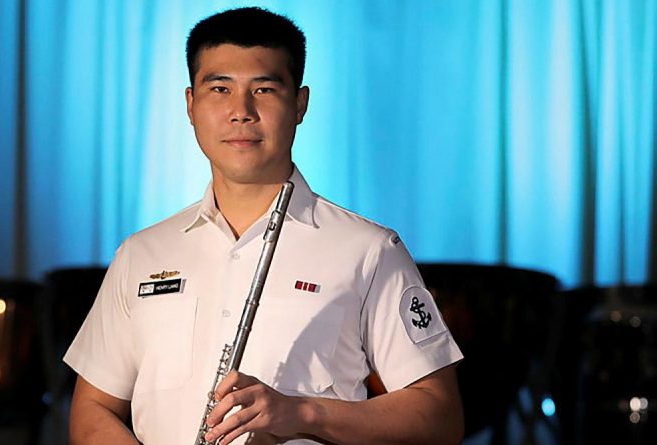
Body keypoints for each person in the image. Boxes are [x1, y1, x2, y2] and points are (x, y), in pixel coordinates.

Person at [65, 7, 464, 445]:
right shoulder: (141, 254)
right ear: (190, 104)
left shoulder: (369, 250)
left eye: (264, 89)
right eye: (220, 88)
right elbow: (93, 408)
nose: (241, 111)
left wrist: (302, 412)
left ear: (300, 104)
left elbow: (439, 415)